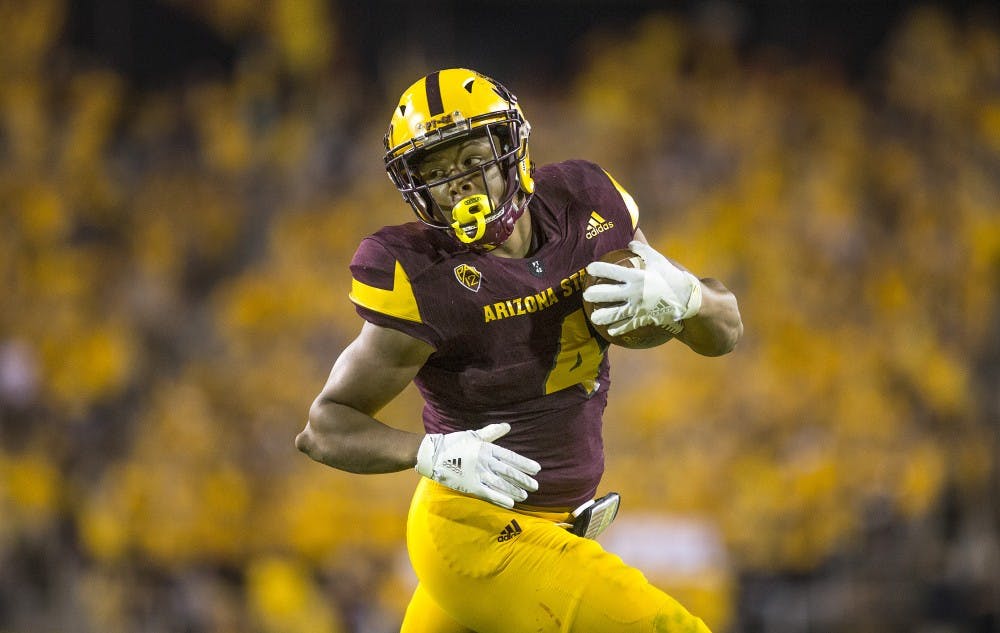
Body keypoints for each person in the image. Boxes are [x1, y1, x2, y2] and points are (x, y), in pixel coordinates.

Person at [295, 68, 742, 632]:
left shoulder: (588, 206)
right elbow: (323, 427)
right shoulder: (425, 275)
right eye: (434, 173)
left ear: (511, 152)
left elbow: (725, 330)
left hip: (548, 527)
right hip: (473, 531)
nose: (456, 183)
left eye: (469, 159)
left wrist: (688, 297)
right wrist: (428, 452)